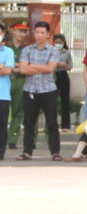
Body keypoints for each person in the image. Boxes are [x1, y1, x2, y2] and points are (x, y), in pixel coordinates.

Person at [17, 20, 63, 161]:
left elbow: (50, 68)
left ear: (48, 34)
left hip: (48, 90)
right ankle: (27, 151)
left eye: (42, 33)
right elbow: (23, 69)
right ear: (34, 33)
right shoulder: (27, 50)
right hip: (30, 89)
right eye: (37, 32)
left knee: (52, 122)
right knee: (29, 122)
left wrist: (32, 66)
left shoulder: (53, 50)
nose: (39, 35)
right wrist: (39, 67)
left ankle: (55, 152)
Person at [7, 21, 28, 150]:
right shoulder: (6, 47)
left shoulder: (26, 49)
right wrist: (17, 66)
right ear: (12, 31)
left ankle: (12, 139)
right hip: (5, 80)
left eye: (24, 31)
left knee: (17, 111)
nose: (22, 34)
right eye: (19, 31)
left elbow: (27, 66)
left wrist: (13, 66)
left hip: (20, 81)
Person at [53, 33, 74, 131]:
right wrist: (56, 65)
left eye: (60, 42)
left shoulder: (67, 52)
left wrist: (65, 65)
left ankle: (65, 125)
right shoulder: (51, 51)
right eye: (56, 42)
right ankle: (52, 124)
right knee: (52, 101)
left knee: (65, 101)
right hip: (53, 76)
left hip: (63, 75)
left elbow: (70, 66)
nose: (58, 44)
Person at [0, 23, 12, 162]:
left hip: (2, 94)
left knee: (2, 125)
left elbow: (7, 70)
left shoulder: (8, 52)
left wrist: (4, 68)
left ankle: (1, 151)